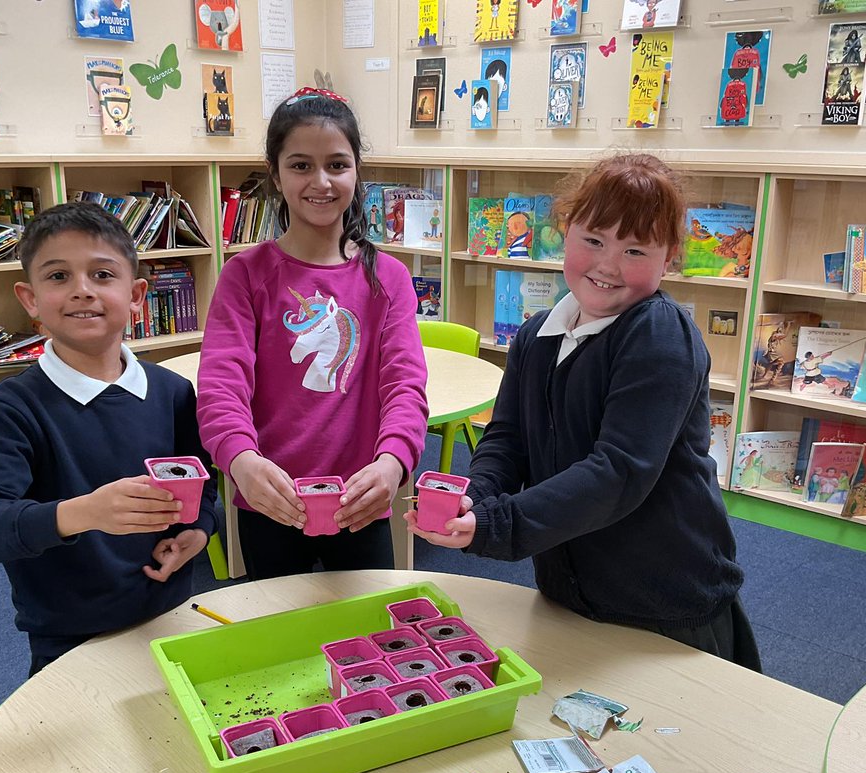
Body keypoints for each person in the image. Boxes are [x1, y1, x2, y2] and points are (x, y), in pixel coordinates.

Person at [407, 152, 760, 670]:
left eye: (636, 249)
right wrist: (472, 497)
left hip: (664, 599)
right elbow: (507, 440)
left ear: (669, 259)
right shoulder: (536, 335)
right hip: (572, 584)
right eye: (593, 240)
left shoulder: (659, 334)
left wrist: (498, 524)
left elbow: (618, 471)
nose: (608, 265)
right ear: (565, 232)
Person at [0, 203, 219, 677]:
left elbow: (203, 486)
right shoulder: (12, 408)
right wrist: (85, 513)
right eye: (57, 277)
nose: (82, 291)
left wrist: (197, 531)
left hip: (170, 613)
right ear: (30, 299)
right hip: (69, 637)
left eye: (102, 274)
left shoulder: (173, 393)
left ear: (136, 295)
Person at [196, 87, 428, 579]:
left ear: (357, 171)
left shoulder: (386, 278)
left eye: (337, 165)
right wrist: (240, 461)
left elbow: (405, 387)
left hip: (360, 500)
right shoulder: (246, 275)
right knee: (276, 636)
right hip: (270, 499)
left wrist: (393, 464)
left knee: (369, 632)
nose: (320, 182)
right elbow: (221, 387)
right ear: (275, 173)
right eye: (301, 165)